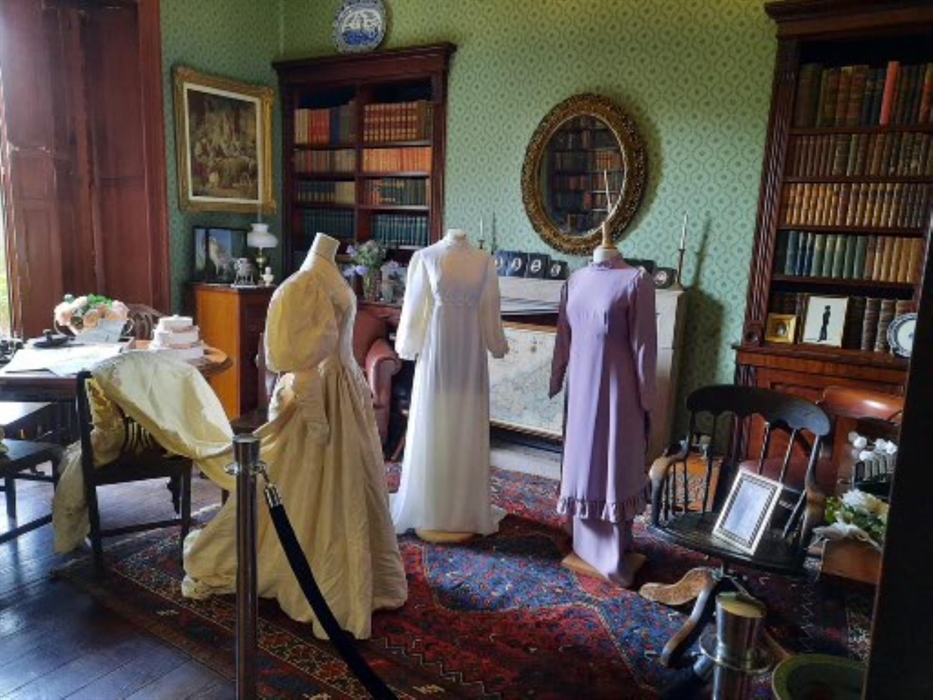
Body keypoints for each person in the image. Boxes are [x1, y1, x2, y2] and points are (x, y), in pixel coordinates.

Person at [183, 233, 407, 640]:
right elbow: (292, 354)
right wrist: (313, 412)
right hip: (320, 393)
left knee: (345, 486)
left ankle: (352, 570)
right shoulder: (304, 283)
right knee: (308, 482)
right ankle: (311, 573)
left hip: (342, 388)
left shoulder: (325, 270)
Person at [549, 223, 657, 586]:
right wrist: (557, 376)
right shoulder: (574, 280)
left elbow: (645, 346)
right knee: (582, 460)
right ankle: (583, 539)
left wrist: (646, 401)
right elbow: (564, 336)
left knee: (611, 460)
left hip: (617, 392)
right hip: (580, 388)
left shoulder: (636, 280)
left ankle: (613, 548)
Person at [390, 228, 509, 539]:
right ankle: (432, 504)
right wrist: (408, 345)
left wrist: (495, 342)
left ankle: (464, 506)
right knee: (436, 421)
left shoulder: (485, 261)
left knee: (464, 422)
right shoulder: (426, 257)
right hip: (437, 351)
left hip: (470, 352)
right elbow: (415, 306)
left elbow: (489, 309)